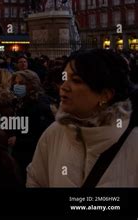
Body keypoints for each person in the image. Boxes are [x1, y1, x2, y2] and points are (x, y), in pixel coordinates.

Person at [27, 49, 138, 187]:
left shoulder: (133, 141)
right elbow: (36, 180)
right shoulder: (54, 133)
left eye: (76, 80)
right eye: (64, 79)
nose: (64, 87)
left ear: (105, 95)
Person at [10, 70, 54, 182]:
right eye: (16, 83)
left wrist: (18, 141)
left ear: (31, 84)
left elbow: (42, 136)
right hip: (21, 155)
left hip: (32, 156)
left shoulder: (40, 104)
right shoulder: (20, 101)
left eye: (21, 83)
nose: (17, 86)